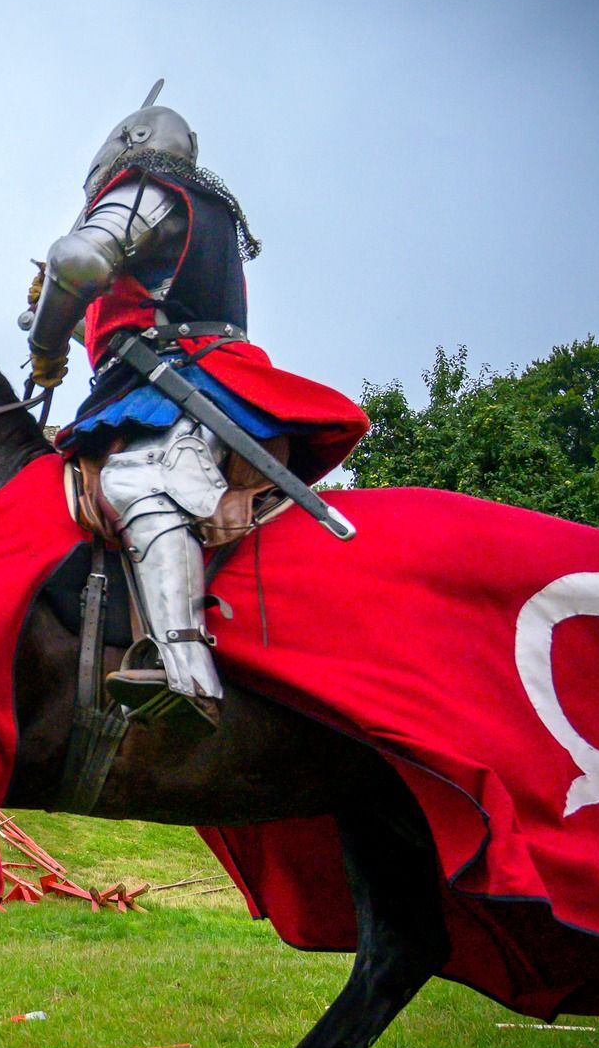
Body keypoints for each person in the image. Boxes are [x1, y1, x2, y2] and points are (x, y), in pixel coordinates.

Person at [24, 83, 369, 727]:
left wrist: (47, 341)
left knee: (139, 480)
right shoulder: (189, 210)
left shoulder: (149, 188)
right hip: (148, 380)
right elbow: (123, 320)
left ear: (127, 150)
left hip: (184, 385)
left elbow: (79, 259)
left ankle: (183, 670)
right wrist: (62, 316)